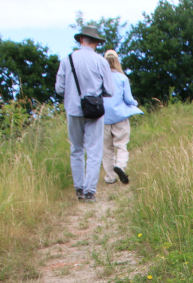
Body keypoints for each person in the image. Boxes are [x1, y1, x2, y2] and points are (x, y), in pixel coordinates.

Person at [55, 26, 116, 202]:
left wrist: (73, 93)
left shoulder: (67, 60)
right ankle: (90, 192)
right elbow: (109, 90)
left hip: (73, 109)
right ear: (96, 42)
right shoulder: (101, 61)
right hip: (94, 110)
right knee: (94, 150)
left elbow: (59, 88)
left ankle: (79, 189)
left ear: (81, 39)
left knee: (76, 149)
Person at [101, 50, 144, 185]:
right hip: (120, 116)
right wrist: (135, 104)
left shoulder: (99, 78)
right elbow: (128, 99)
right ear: (117, 61)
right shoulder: (122, 78)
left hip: (103, 117)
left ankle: (110, 177)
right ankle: (120, 165)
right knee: (121, 145)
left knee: (107, 148)